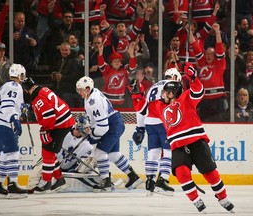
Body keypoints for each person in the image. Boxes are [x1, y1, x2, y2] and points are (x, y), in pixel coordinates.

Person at [131, 62, 234, 212]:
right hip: (178, 146)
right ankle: (196, 200)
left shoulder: (186, 98)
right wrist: (136, 95)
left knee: (210, 173)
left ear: (172, 93)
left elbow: (198, 92)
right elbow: (141, 108)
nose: (162, 94)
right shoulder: (158, 106)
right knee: (181, 173)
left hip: (197, 141)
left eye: (165, 92)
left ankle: (223, 197)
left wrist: (193, 78)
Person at [76, 76, 142, 192]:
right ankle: (133, 177)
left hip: (112, 125)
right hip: (114, 122)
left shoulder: (93, 101)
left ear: (87, 89)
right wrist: (91, 128)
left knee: (99, 152)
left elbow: (103, 127)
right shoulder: (91, 94)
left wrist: (92, 136)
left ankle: (106, 182)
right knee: (113, 154)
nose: (79, 92)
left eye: (80, 89)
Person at [130, 67, 182, 196]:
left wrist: (140, 127)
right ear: (175, 77)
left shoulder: (153, 87)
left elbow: (142, 109)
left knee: (154, 152)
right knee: (169, 151)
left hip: (149, 122)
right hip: (163, 121)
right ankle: (162, 180)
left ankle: (150, 181)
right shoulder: (171, 87)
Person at [22, 77, 75, 193]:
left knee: (47, 151)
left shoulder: (37, 97)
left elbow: (49, 115)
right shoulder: (42, 89)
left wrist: (45, 130)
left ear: (26, 90)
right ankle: (59, 179)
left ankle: (46, 182)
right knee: (49, 151)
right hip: (63, 121)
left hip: (60, 124)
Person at [0, 63, 28, 199]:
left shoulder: (7, 85)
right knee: (13, 152)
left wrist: (20, 108)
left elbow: (7, 102)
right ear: (20, 75)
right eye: (23, 75)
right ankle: (13, 184)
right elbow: (8, 104)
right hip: (3, 122)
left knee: (5, 153)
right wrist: (14, 118)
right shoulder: (15, 86)